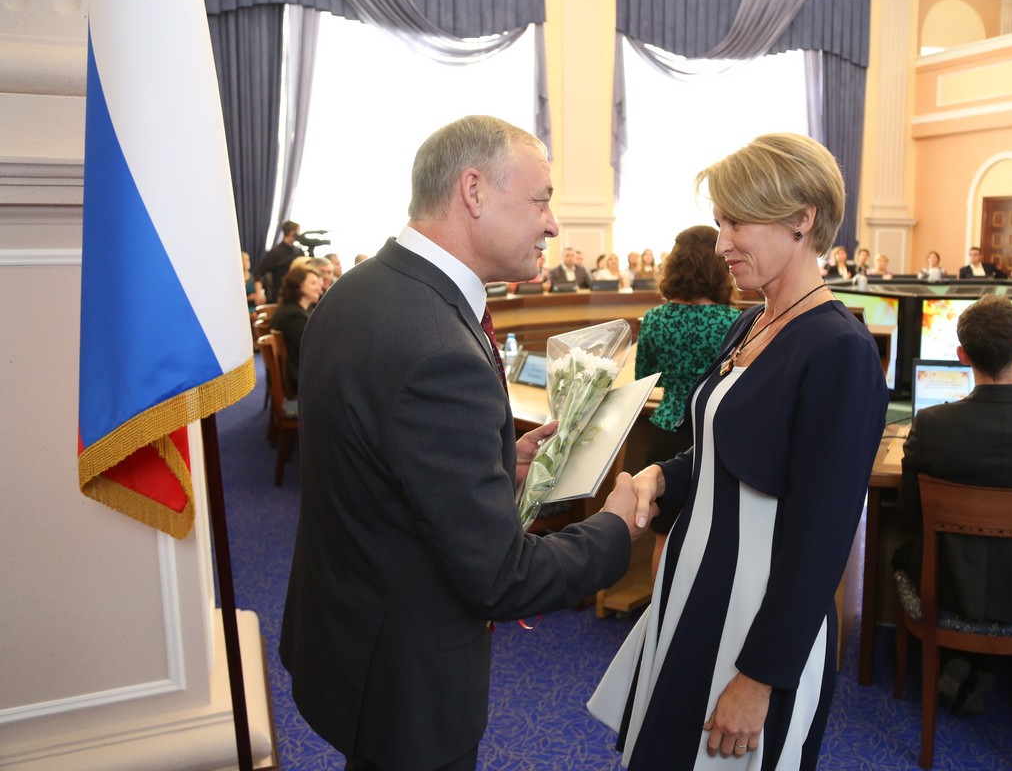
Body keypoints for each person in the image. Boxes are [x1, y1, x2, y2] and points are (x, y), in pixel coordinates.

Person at [279, 115, 652, 771]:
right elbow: (502, 579)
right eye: (541, 199)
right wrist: (617, 528)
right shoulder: (437, 348)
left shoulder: (360, 291)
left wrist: (495, 464)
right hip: (404, 683)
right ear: (474, 191)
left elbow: (378, 457)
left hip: (346, 637)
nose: (553, 225)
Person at [590, 133, 888, 770]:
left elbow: (824, 536)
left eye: (737, 222)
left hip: (755, 614)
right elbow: (724, 450)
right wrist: (661, 476)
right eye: (720, 222)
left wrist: (759, 677)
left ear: (801, 219)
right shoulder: (749, 322)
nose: (721, 243)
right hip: (694, 586)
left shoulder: (840, 349)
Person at [892, 295, 1012, 715]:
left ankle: (962, 655)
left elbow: (909, 515)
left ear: (962, 356)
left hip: (944, 590)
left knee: (901, 554)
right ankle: (977, 660)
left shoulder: (931, 426)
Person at [632, 224, 741, 576]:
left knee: (664, 538)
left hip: (666, 434)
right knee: (715, 538)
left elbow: (644, 376)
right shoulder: (735, 321)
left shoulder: (656, 319)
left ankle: (659, 609)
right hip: (714, 436)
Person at [270, 265, 322, 388]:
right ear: (299, 285)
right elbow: (314, 348)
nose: (319, 288)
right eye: (313, 283)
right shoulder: (293, 316)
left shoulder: (302, 309)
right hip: (301, 377)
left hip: (303, 370)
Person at [255, 219, 304, 302]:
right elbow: (259, 272)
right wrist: (259, 293)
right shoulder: (275, 252)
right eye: (298, 232)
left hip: (297, 295)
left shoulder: (299, 252)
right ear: (292, 233)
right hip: (280, 296)